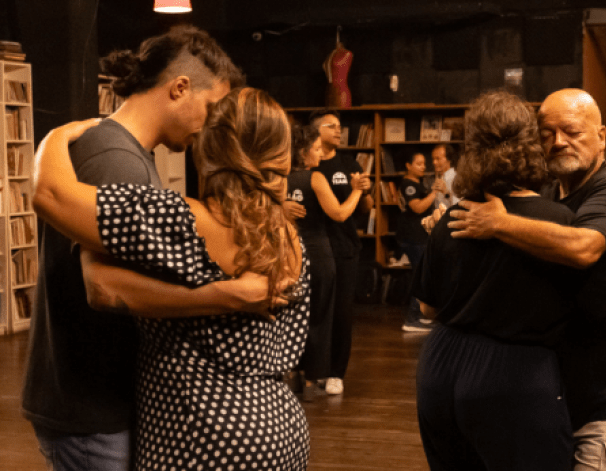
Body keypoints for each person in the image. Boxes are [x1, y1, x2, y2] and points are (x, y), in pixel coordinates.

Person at [19, 26, 259, 471]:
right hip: (93, 407)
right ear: (179, 88)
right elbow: (105, 288)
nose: (209, 125)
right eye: (209, 108)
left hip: (94, 401)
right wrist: (224, 296)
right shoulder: (117, 159)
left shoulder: (126, 152)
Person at [33, 87, 311, 470]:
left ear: (210, 148)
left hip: (203, 432)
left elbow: (48, 194)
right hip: (280, 426)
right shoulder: (289, 234)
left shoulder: (186, 220)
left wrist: (56, 136)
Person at [412, 89, 606, 471]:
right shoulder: (544, 200)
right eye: (546, 133)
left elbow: (589, 257)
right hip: (540, 381)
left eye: (571, 131)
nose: (558, 142)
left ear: (602, 135)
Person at [285, 124, 370, 401]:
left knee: (294, 315)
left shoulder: (280, 179)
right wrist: (356, 190)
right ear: (303, 151)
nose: (320, 154)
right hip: (318, 254)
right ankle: (314, 379)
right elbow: (340, 214)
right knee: (320, 316)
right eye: (316, 149)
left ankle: (293, 374)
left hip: (290, 253)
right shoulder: (315, 178)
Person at [309, 109, 374, 395]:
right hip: (313, 248)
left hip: (345, 247)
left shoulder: (348, 163)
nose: (339, 130)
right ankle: (314, 370)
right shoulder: (306, 166)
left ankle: (337, 372)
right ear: (316, 131)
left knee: (342, 313)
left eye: (340, 126)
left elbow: (365, 207)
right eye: (331, 126)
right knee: (315, 311)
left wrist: (365, 191)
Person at [397, 152, 437, 332]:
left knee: (423, 276)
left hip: (419, 236)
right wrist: (435, 192)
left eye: (424, 163)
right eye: (418, 164)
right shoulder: (408, 184)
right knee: (419, 277)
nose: (423, 166)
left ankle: (420, 315)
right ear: (408, 165)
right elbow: (417, 207)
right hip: (413, 237)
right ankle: (412, 319)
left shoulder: (417, 184)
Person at [431, 143, 460, 209]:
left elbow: (458, 206)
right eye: (433, 159)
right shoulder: (439, 177)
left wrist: (446, 192)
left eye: (438, 159)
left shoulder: (456, 179)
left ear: (448, 159)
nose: (434, 162)